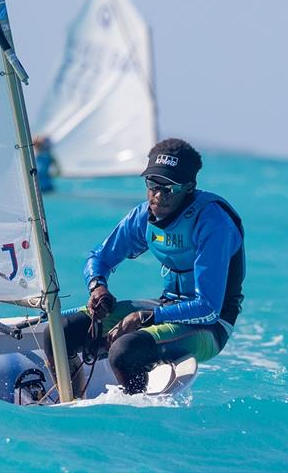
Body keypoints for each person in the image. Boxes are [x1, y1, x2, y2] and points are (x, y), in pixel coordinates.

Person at [45, 138, 245, 395]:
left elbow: (207, 309)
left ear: (189, 188)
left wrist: (147, 318)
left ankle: (134, 415)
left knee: (124, 351)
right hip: (165, 306)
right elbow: (99, 257)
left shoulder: (213, 224)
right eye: (152, 184)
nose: (158, 196)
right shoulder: (143, 216)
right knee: (60, 331)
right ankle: (70, 402)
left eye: (169, 188)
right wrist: (98, 287)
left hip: (209, 325)